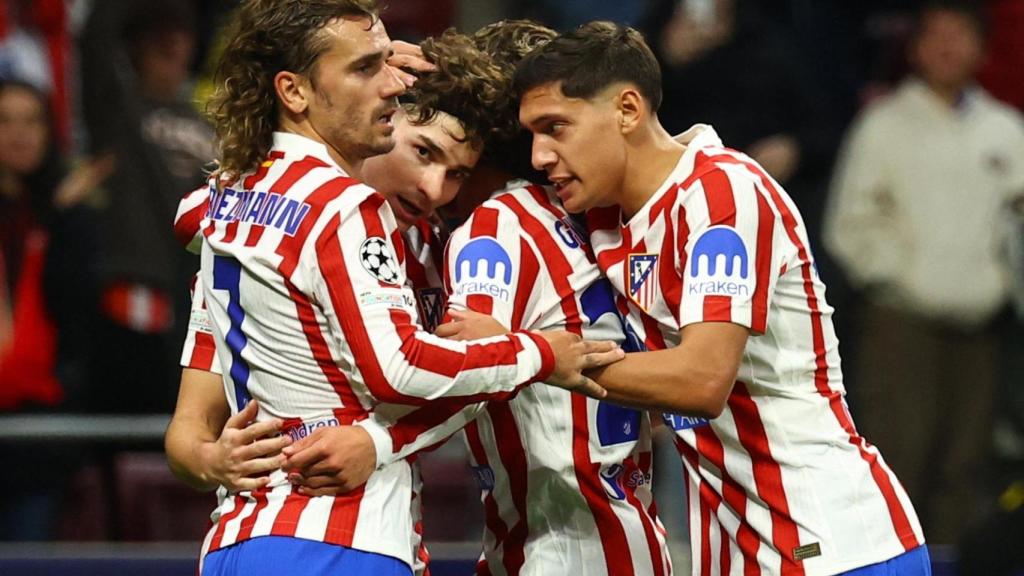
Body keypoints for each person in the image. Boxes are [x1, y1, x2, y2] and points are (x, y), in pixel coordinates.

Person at [165, 2, 618, 574]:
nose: (433, 188)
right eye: (423, 152)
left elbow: (195, 215)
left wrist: (379, 441)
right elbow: (401, 369)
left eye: (456, 174)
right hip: (334, 539)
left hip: (242, 541)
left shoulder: (235, 212)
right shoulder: (339, 208)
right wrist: (538, 353)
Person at [507, 21, 929, 575]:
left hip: (829, 544)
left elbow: (701, 381)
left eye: (555, 128)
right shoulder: (608, 220)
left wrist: (537, 357)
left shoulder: (722, 194)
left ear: (628, 110)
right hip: (740, 548)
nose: (539, 155)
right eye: (532, 134)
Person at [311, 20, 672, 575]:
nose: (435, 187)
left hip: (563, 546)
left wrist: (375, 442)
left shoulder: (494, 229)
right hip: (623, 535)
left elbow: (477, 374)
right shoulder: (587, 220)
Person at [824, 0, 1024, 546]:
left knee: (966, 471)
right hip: (900, 326)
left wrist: (998, 285)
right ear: (914, 47)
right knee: (898, 465)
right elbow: (848, 225)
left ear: (982, 48)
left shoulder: (1006, 129)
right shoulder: (882, 125)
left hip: (982, 330)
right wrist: (905, 276)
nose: (947, 47)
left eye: (960, 35)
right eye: (936, 34)